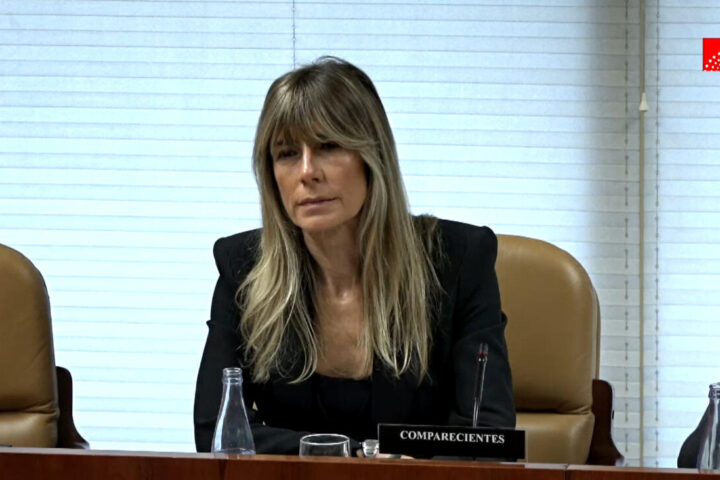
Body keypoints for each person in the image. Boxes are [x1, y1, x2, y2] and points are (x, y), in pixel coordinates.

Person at [193, 56, 515, 456]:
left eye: (329, 146)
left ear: (372, 157)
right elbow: (218, 431)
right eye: (287, 153)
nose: (307, 172)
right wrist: (361, 454)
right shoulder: (244, 267)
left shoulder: (457, 260)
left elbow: (488, 437)